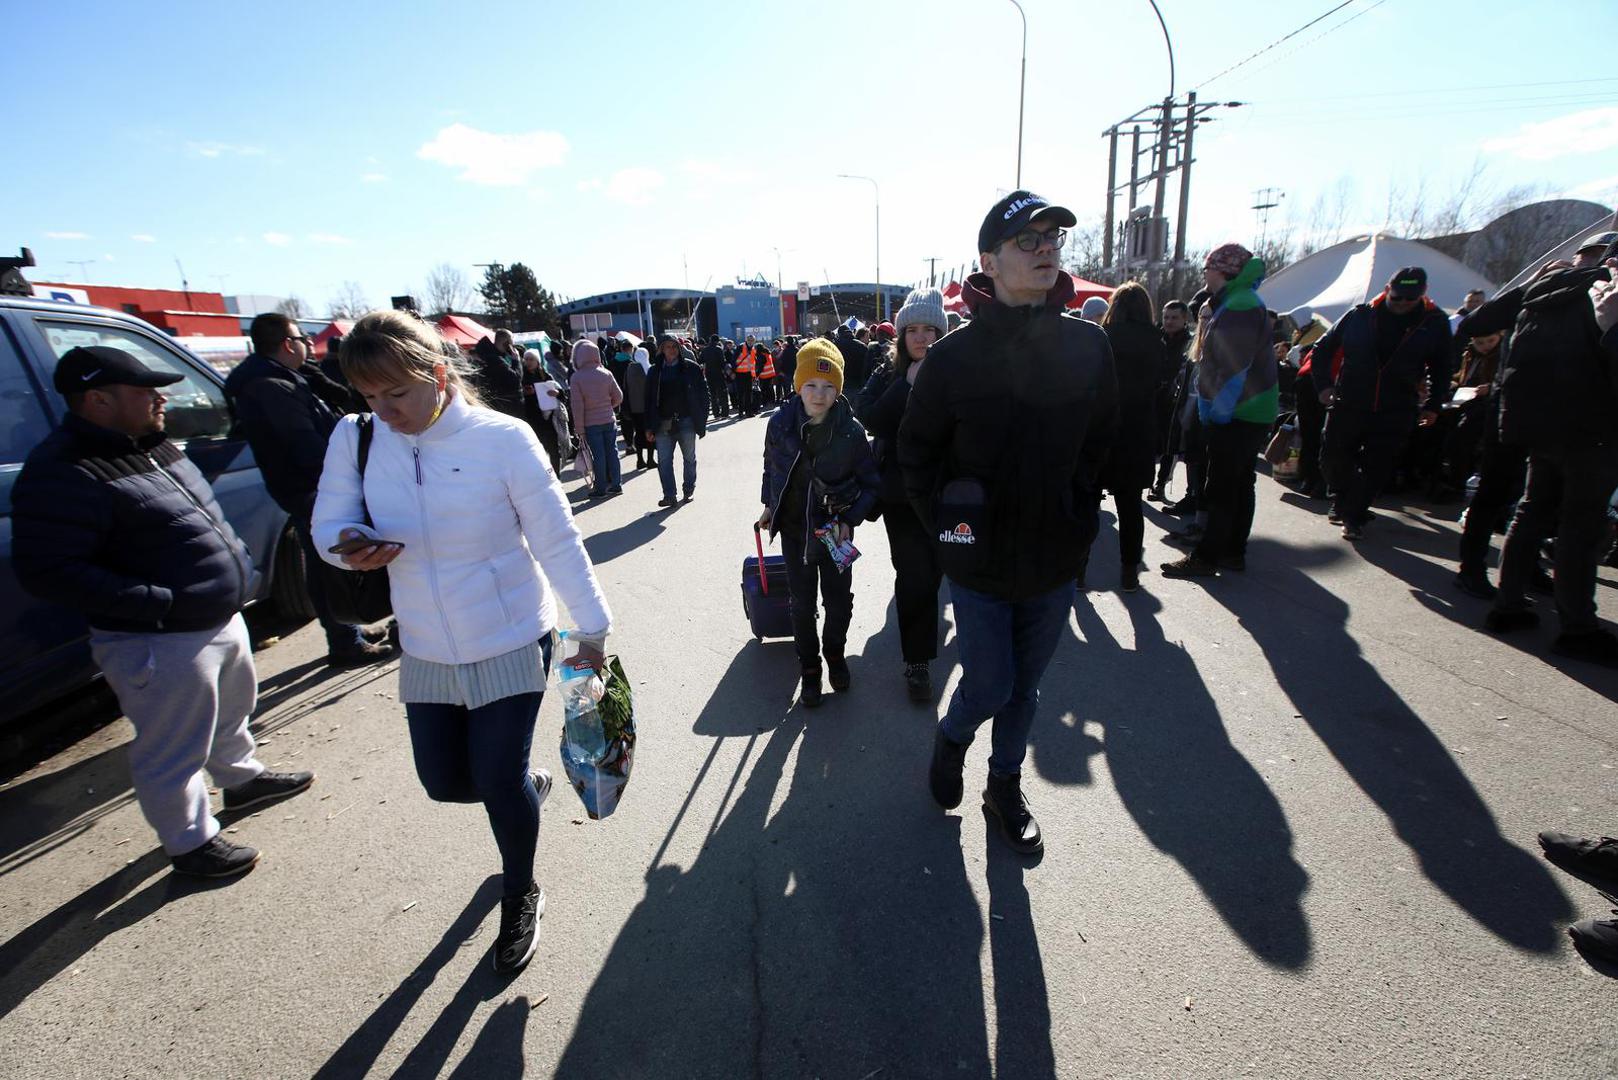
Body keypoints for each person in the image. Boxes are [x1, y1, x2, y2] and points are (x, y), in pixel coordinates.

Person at [313, 310, 612, 976]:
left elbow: (556, 539)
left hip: (509, 634)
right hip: (423, 644)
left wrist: (590, 628)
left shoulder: (502, 440)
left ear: (438, 375)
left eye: (396, 393)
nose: (382, 410)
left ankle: (520, 891)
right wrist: (347, 550)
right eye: (368, 396)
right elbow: (328, 519)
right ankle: (527, 787)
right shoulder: (355, 438)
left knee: (496, 779)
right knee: (446, 782)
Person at [12, 346, 313, 878]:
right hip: (159, 639)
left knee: (230, 711)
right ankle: (190, 841)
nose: (161, 399)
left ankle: (240, 778)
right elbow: (48, 568)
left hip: (216, 619)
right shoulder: (64, 471)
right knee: (172, 746)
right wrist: (158, 603)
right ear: (98, 401)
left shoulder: (153, 446)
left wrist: (237, 566)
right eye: (146, 391)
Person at [899, 190, 1118, 855]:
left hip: (1054, 560)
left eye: (1054, 238)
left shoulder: (1088, 347)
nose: (1047, 248)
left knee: (1026, 689)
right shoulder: (952, 358)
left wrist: (1080, 517)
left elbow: (1102, 447)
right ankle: (952, 739)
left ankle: (1004, 786)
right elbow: (915, 455)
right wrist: (948, 533)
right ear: (989, 261)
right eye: (1029, 239)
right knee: (990, 683)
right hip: (979, 566)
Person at [1477, 236, 1618, 665]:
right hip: (1594, 428)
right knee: (1581, 526)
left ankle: (1508, 605)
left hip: (1541, 425)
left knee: (1531, 510)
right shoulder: (1607, 294)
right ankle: (1577, 627)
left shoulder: (1549, 289)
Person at [224, 312, 390, 666]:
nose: (305, 347)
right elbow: (305, 446)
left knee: (327, 563)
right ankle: (345, 640)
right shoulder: (271, 387)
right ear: (288, 344)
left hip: (308, 485)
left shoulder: (284, 379)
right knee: (326, 564)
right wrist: (345, 469)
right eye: (301, 339)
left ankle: (350, 627)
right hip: (309, 488)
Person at [758, 340, 881, 708]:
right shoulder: (780, 423)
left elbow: (872, 485)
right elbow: (771, 467)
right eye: (811, 384)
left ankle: (835, 656)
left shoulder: (852, 431)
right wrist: (769, 505)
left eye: (829, 386)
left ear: (839, 389)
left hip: (834, 533)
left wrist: (850, 518)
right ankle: (810, 669)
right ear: (798, 385)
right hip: (795, 532)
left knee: (839, 603)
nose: (820, 394)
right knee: (801, 604)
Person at [1161, 244, 1279, 577]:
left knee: (1223, 485)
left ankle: (1209, 555)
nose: (1205, 273)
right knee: (1239, 483)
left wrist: (1216, 411)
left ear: (1222, 270)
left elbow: (1233, 368)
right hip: (1251, 407)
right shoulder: (1239, 301)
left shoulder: (1239, 304)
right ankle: (1231, 551)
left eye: (1208, 267)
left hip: (1240, 409)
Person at [855, 287, 949, 700]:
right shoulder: (888, 371)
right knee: (914, 575)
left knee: (936, 574)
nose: (923, 338)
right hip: (900, 495)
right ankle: (917, 663)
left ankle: (922, 638)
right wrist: (906, 385)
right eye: (915, 329)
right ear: (903, 332)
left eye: (932, 329)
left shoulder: (957, 369)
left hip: (947, 493)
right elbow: (867, 415)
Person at [1310, 267, 1452, 541]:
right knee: (1332, 458)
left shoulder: (1434, 322)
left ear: (1422, 296)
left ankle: (1353, 515)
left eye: (1409, 299)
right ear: (1387, 290)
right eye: (1397, 297)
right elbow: (1322, 348)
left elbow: (1443, 367)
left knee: (1378, 464)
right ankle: (1344, 498)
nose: (1401, 304)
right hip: (1349, 399)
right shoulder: (1360, 315)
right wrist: (1324, 386)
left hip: (1397, 405)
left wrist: (1434, 404)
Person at [1089, 282, 1166, 592]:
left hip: (1103, 428)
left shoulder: (1103, 338)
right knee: (1130, 506)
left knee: (1089, 501)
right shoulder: (1157, 342)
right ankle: (1129, 571)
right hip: (1138, 431)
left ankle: (1079, 569)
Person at [644, 333, 710, 506]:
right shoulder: (654, 371)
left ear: (679, 348)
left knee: (689, 458)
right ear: (661, 350)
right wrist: (649, 427)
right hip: (662, 424)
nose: (672, 350)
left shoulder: (691, 368)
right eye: (668, 347)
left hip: (687, 421)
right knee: (664, 461)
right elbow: (649, 400)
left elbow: (704, 394)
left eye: (674, 346)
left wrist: (701, 419)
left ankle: (688, 488)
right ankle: (669, 495)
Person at [1148, 299, 1193, 502]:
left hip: (1177, 400)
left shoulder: (1190, 343)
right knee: (1150, 441)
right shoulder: (1155, 339)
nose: (1169, 321)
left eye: (1175, 317)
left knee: (1170, 445)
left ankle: (1160, 483)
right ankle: (1146, 480)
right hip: (1153, 396)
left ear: (1184, 319)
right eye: (1166, 317)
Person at [568, 338, 624, 497]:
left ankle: (601, 489)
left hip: (590, 423)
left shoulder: (577, 378)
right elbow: (619, 397)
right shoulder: (606, 373)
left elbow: (577, 407)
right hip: (608, 419)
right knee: (613, 452)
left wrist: (579, 429)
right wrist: (608, 406)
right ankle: (617, 484)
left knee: (598, 456)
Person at [521, 347, 567, 475]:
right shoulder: (522, 376)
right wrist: (525, 393)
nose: (528, 362)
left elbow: (562, 394)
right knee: (537, 450)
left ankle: (556, 476)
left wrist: (556, 393)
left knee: (553, 450)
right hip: (532, 419)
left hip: (549, 419)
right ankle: (543, 476)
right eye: (526, 359)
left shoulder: (546, 375)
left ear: (537, 361)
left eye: (531, 359)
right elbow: (517, 395)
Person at [471, 336, 525, 417]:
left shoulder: (488, 356)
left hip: (495, 404)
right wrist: (516, 360)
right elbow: (516, 379)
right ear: (506, 344)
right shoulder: (495, 359)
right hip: (505, 406)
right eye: (511, 344)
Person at [623, 345, 653, 470]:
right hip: (648, 408)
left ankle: (640, 459)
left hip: (634, 408)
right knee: (650, 432)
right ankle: (650, 459)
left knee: (638, 433)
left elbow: (625, 387)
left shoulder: (629, 368)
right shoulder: (649, 369)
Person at [700, 334, 730, 419]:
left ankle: (716, 413)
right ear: (717, 341)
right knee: (722, 394)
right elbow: (722, 362)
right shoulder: (718, 349)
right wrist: (728, 372)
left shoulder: (705, 350)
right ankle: (725, 413)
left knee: (713, 395)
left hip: (709, 374)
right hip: (719, 374)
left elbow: (700, 360)